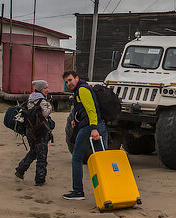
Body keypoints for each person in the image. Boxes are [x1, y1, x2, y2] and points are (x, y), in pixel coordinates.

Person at [62, 70, 108, 200]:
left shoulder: (82, 90)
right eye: (66, 82)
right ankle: (108, 190)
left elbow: (91, 109)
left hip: (90, 127)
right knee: (102, 159)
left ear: (76, 78)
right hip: (100, 125)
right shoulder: (81, 89)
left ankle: (78, 192)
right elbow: (81, 110)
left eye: (70, 80)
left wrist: (93, 129)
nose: (69, 83)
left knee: (76, 158)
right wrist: (74, 120)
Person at [14, 80, 53, 186]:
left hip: (30, 131)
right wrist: (50, 107)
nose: (47, 90)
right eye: (45, 88)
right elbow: (45, 114)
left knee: (34, 151)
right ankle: (40, 180)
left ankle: (20, 170)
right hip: (40, 132)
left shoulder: (30, 99)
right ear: (40, 89)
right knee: (42, 156)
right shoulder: (42, 101)